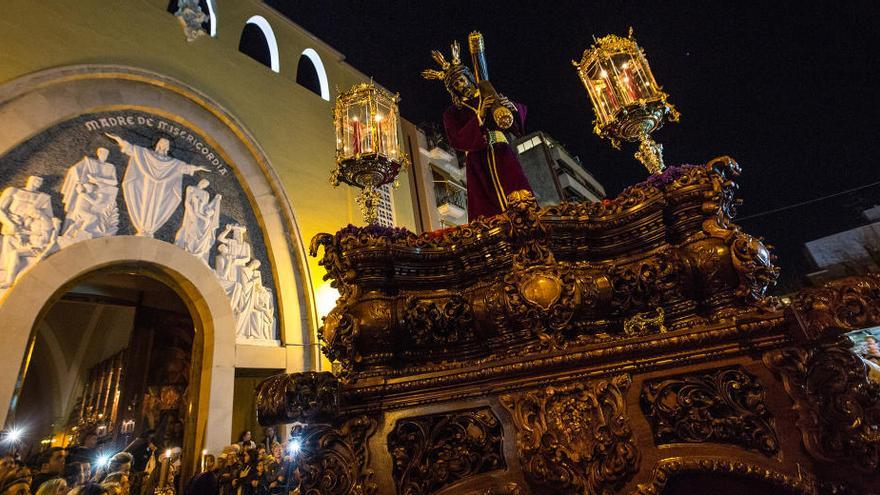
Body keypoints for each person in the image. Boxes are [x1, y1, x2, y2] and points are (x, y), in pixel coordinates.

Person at [422, 40, 533, 219]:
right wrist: (479, 116)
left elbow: (515, 120)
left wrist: (509, 106)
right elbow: (456, 139)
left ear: (469, 77)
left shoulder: (488, 94)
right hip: (477, 161)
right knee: (486, 209)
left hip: (502, 153)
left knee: (518, 195)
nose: (460, 86)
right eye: (455, 85)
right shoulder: (452, 113)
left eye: (461, 80)